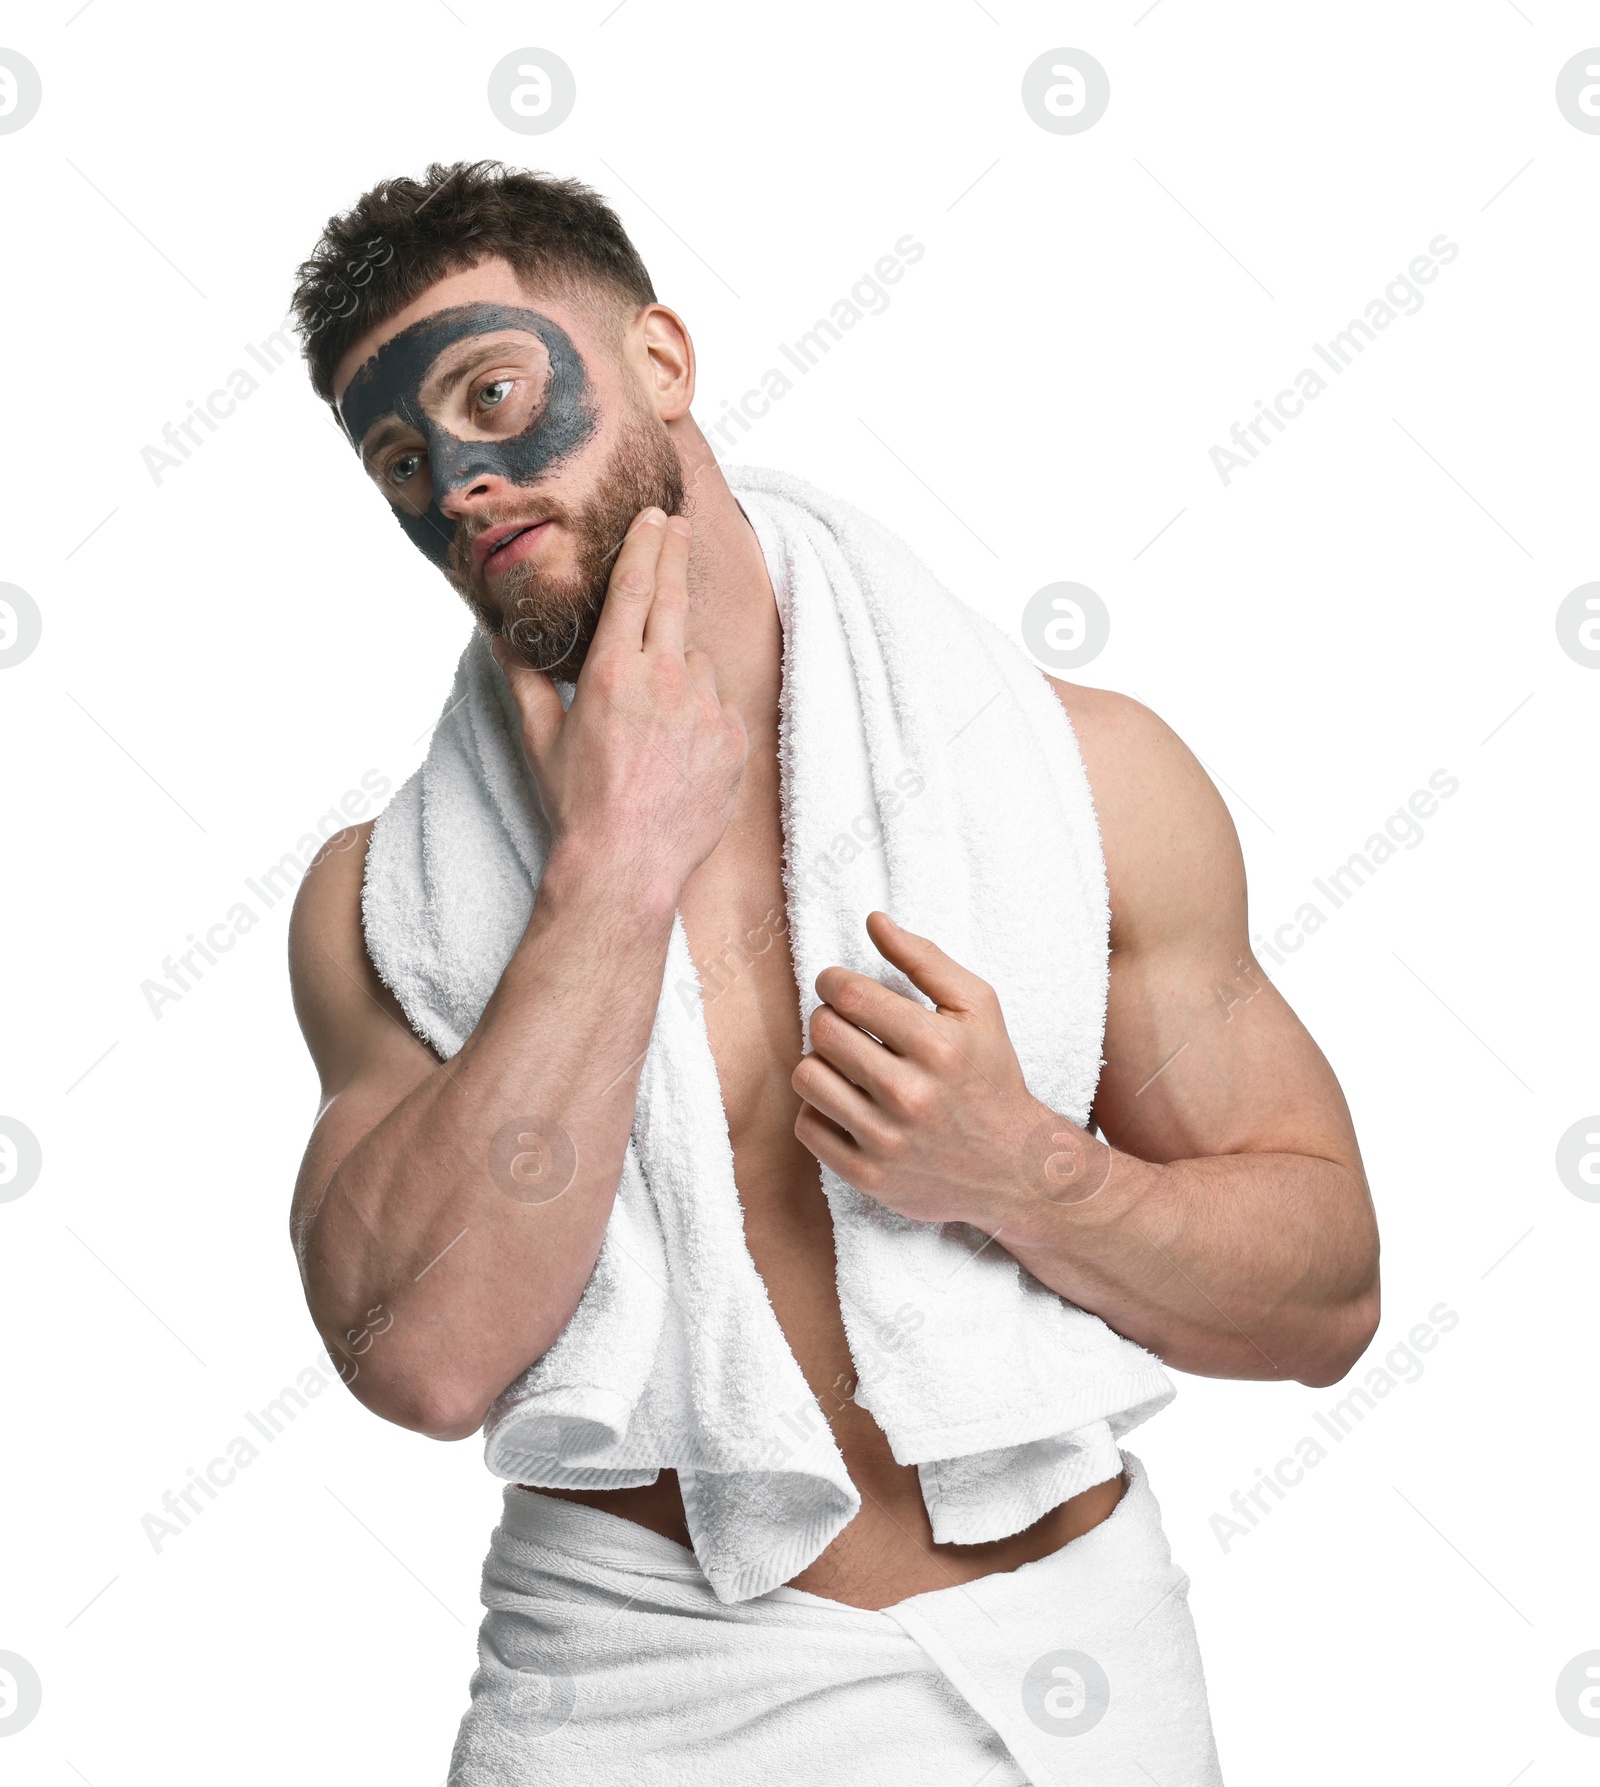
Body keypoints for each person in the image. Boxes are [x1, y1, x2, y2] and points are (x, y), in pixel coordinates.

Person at [284, 161, 1379, 1786]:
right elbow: (422, 1362)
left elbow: (1331, 1299)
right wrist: (610, 871)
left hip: (1065, 1674)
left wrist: (1033, 1178)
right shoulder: (385, 903)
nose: (458, 480)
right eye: (400, 458)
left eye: (493, 390)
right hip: (635, 1695)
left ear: (661, 359)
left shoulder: (1081, 780)